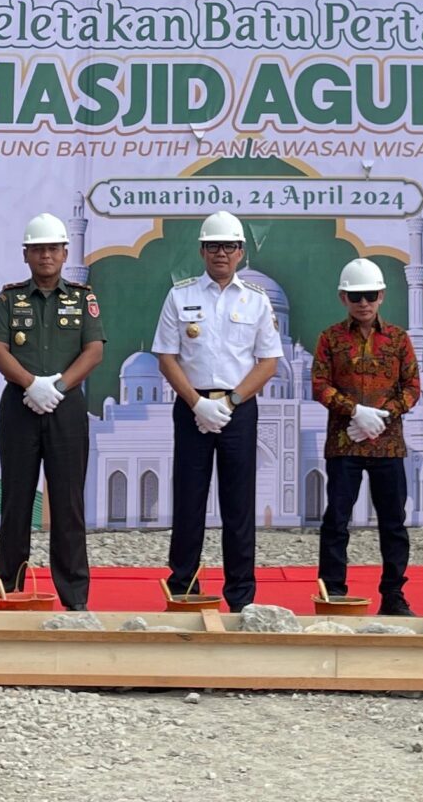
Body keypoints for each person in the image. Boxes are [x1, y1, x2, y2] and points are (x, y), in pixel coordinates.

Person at [154, 211, 280, 611]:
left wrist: (229, 402)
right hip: (192, 407)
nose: (220, 253)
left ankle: (241, 596)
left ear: (241, 251)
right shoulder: (181, 295)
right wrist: (196, 402)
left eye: (228, 246)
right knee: (189, 499)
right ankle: (183, 588)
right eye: (213, 246)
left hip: (238, 409)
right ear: (201, 250)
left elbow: (268, 362)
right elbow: (167, 357)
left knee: (238, 504)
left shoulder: (256, 301)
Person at [0, 213, 104, 609]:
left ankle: (75, 597)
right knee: (16, 501)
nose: (46, 256)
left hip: (66, 407)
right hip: (20, 405)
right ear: (26, 254)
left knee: (68, 503)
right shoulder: (9, 298)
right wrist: (30, 383)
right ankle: (8, 591)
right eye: (38, 249)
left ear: (64, 252)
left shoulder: (82, 297)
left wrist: (56, 386)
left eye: (52, 248)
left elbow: (94, 350)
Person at [311, 257, 423, 618]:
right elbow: (319, 385)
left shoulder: (399, 339)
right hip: (344, 443)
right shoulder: (330, 338)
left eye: (370, 295)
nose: (363, 303)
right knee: (337, 520)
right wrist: (355, 412)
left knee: (393, 523)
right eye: (356, 296)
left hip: (387, 445)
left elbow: (412, 387)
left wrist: (383, 415)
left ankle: (393, 595)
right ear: (343, 297)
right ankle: (333, 592)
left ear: (382, 296)